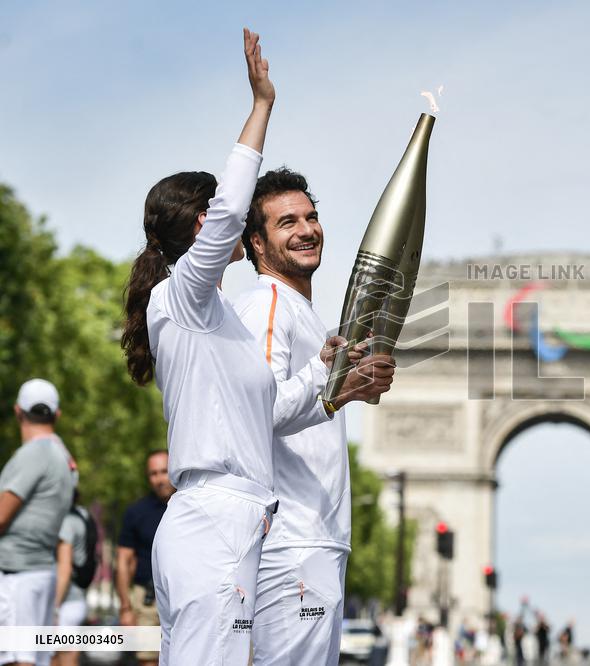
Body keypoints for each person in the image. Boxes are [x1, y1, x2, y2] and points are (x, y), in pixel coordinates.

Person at [120, 29, 339, 665]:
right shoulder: (180, 297)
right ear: (201, 226)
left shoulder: (224, 320)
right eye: (219, 213)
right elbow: (229, 211)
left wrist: (329, 373)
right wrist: (261, 105)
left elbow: (270, 409)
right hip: (213, 520)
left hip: (239, 523)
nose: (232, 221)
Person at [234, 167, 395, 665]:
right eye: (287, 222)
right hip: (290, 544)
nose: (306, 229)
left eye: (311, 217)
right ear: (257, 244)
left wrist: (349, 388)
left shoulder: (303, 313)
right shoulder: (266, 304)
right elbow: (257, 412)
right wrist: (335, 394)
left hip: (316, 542)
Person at [0, 378, 76, 666]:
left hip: (17, 575)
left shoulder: (34, 453)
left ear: (18, 411)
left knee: (18, 661)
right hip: (41, 571)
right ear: (56, 415)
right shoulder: (64, 456)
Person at [115, 450, 174, 666]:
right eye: (153, 474)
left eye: (164, 471)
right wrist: (125, 608)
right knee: (148, 660)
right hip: (146, 600)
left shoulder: (192, 506)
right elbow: (123, 561)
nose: (159, 479)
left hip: (183, 596)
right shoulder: (136, 512)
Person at [52, 490, 93, 666]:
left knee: (64, 656)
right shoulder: (82, 516)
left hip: (65, 602)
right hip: (75, 599)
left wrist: (54, 607)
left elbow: (65, 568)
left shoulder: (67, 522)